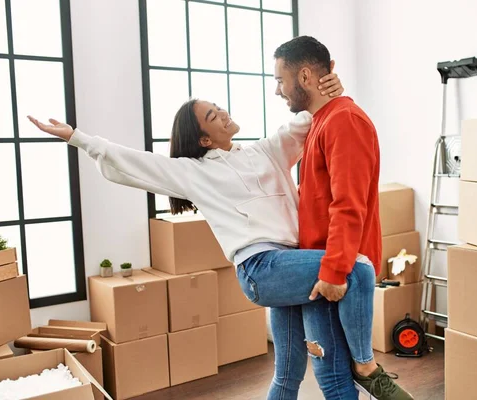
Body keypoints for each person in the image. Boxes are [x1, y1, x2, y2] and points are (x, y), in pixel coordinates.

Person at [28, 64, 410, 399]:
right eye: (213, 115)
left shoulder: (263, 151)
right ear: (205, 139)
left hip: (293, 265)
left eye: (219, 107)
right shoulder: (196, 172)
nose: (223, 113)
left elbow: (307, 117)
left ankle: (355, 369)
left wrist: (330, 88)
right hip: (261, 268)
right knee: (357, 269)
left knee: (288, 374)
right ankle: (365, 365)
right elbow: (135, 163)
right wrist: (77, 137)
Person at [263, 35, 414, 400]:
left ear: (302, 76)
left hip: (336, 269)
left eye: (280, 80)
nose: (278, 91)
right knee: (328, 372)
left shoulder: (343, 121)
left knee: (332, 376)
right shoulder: (321, 120)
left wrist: (333, 273)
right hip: (320, 264)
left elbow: (349, 205)